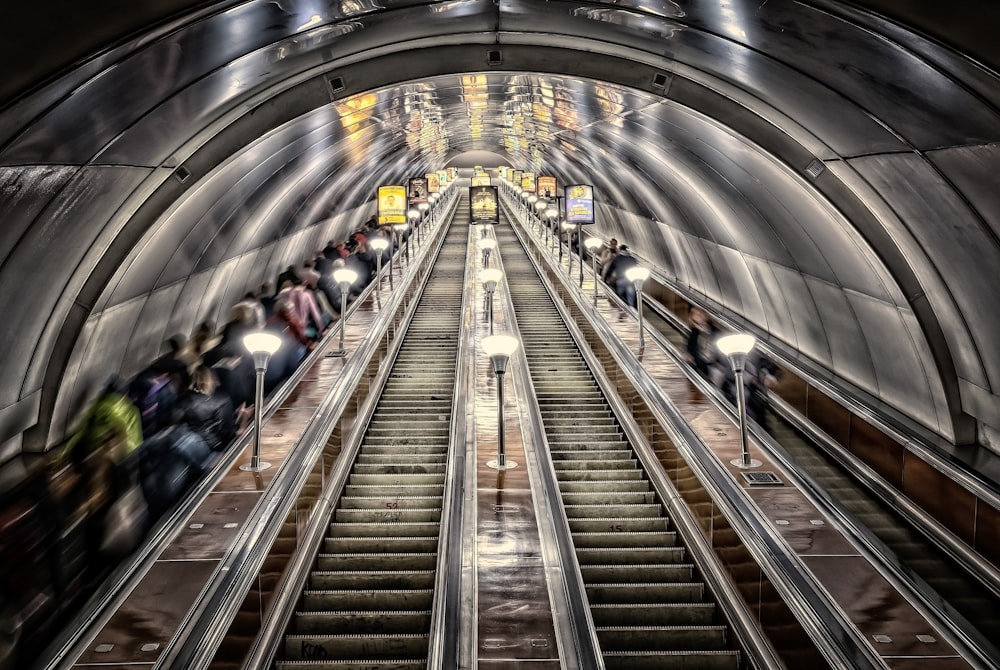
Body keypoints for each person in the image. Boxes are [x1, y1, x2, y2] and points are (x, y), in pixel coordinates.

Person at [685, 307, 720, 380]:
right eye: (697, 315)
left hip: (714, 364)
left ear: (706, 316)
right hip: (700, 364)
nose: (700, 316)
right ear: (693, 317)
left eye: (702, 314)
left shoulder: (715, 330)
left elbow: (720, 346)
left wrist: (718, 361)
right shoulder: (693, 332)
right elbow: (689, 346)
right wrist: (689, 355)